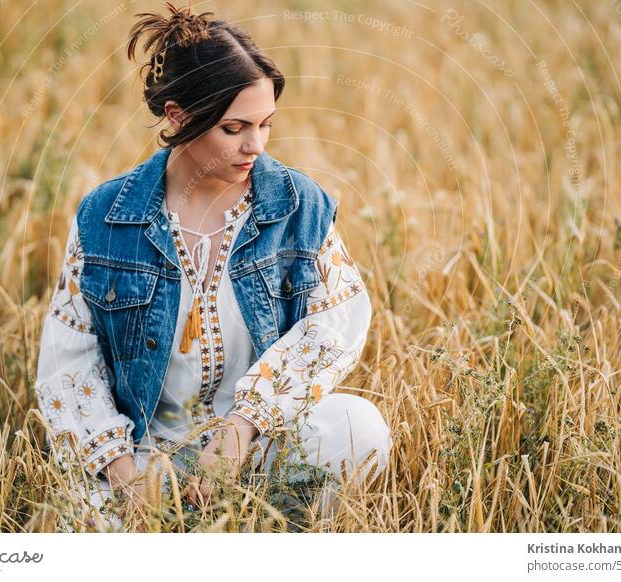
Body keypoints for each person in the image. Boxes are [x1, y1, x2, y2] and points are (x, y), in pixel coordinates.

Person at [33, 2, 392, 530]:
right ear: (177, 116)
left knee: (359, 426)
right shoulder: (106, 218)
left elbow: (334, 323)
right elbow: (68, 364)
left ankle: (264, 532)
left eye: (266, 124)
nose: (256, 145)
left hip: (256, 447)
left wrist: (239, 432)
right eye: (234, 127)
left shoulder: (297, 206)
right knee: (75, 526)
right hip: (143, 457)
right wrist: (129, 478)